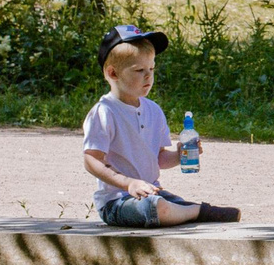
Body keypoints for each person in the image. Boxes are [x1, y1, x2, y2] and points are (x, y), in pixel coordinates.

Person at [82, 24, 240, 228]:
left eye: (151, 69)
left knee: (162, 203)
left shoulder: (153, 110)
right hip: (116, 201)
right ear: (113, 73)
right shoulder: (104, 112)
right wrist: (128, 183)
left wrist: (179, 154)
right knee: (156, 209)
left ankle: (188, 210)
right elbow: (91, 160)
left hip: (153, 192)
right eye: (139, 70)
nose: (148, 76)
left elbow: (158, 158)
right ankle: (197, 211)